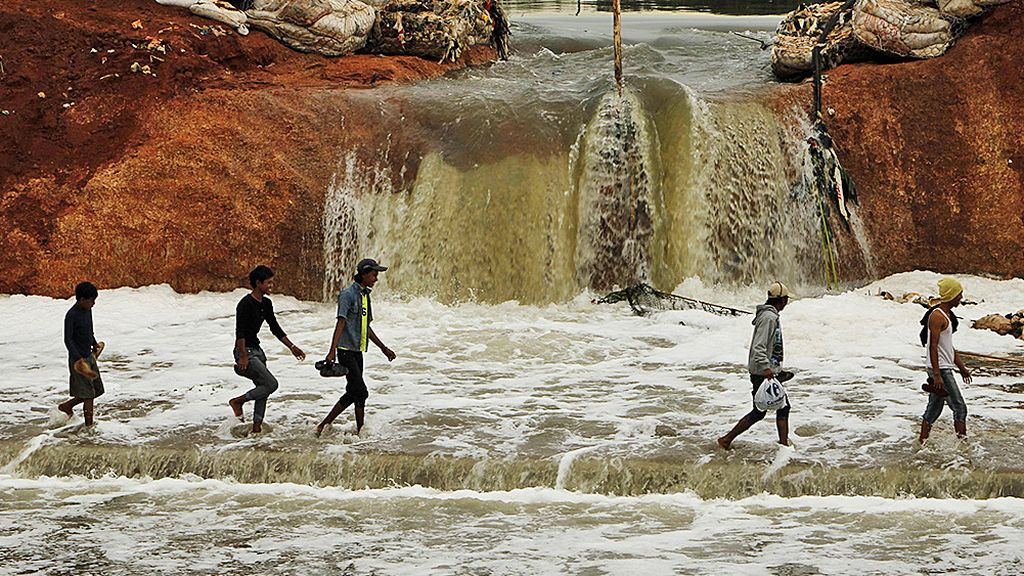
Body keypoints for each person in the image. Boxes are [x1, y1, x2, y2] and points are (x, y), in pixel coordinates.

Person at [316, 258, 396, 437]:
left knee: (354, 393)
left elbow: (366, 327)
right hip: (345, 351)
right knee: (361, 391)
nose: (376, 278)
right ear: (365, 274)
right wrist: (332, 351)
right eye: (374, 274)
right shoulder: (347, 295)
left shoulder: (365, 295)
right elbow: (341, 323)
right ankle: (358, 431)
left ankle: (326, 426)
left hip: (358, 351)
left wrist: (383, 348)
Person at [229, 265, 305, 434]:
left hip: (257, 350)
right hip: (245, 350)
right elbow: (239, 331)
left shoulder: (267, 303)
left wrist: (292, 347)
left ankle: (256, 429)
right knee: (271, 384)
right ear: (258, 283)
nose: (272, 286)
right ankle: (238, 401)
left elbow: (275, 328)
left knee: (263, 388)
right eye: (268, 283)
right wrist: (242, 356)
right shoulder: (245, 304)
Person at [718, 281, 793, 450]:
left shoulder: (768, 315)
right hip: (762, 371)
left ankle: (783, 444)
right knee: (768, 410)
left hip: (765, 370)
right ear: (781, 300)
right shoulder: (769, 318)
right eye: (786, 299)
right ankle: (726, 439)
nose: (787, 302)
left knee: (776, 408)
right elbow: (759, 346)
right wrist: (766, 368)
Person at [919, 277, 972, 443]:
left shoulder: (947, 316)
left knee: (934, 408)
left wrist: (962, 368)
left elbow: (949, 347)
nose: (961, 298)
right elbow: (932, 347)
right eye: (959, 295)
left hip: (943, 368)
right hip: (941, 369)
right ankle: (963, 445)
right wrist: (937, 375)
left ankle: (921, 442)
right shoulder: (937, 316)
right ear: (951, 295)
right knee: (960, 407)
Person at [57, 281, 106, 426]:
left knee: (96, 390)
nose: (93, 304)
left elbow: (88, 330)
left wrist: (94, 343)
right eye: (92, 300)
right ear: (82, 299)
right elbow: (68, 339)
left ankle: (67, 406)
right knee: (89, 396)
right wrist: (78, 359)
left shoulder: (87, 310)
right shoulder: (71, 315)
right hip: (79, 362)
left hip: (89, 356)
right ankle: (89, 428)